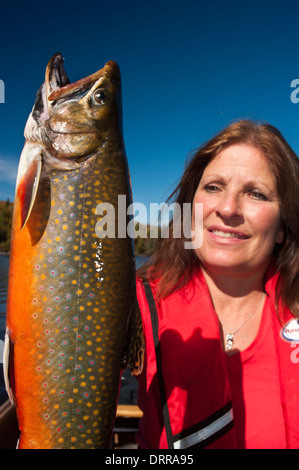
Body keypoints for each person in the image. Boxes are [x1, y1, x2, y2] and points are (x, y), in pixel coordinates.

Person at [135, 119, 299, 449]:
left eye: (256, 194)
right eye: (213, 187)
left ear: (282, 227)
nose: (227, 209)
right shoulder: (131, 304)